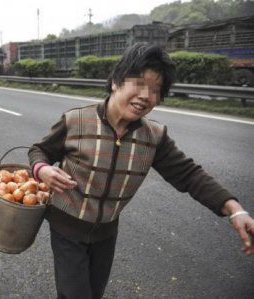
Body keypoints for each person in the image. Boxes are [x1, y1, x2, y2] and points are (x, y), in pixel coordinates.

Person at [28, 42, 254, 299]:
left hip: (106, 233)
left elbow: (190, 175)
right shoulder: (76, 120)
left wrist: (236, 210)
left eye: (156, 90)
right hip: (65, 227)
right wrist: (42, 169)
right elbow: (40, 151)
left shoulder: (154, 137)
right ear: (115, 82)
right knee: (75, 294)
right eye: (139, 84)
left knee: (94, 291)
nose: (146, 96)